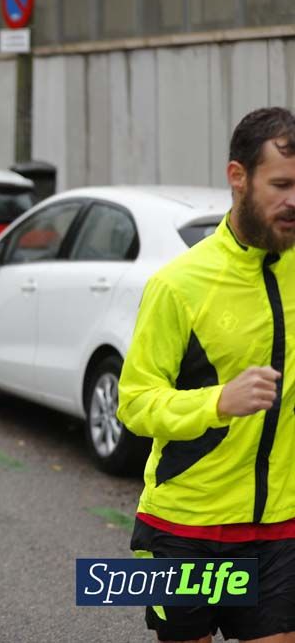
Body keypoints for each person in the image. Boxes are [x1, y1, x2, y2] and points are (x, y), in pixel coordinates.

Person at [119, 106, 295, 643]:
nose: (294, 201)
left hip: (279, 529)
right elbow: (135, 404)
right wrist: (217, 402)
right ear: (237, 177)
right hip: (185, 527)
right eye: (281, 184)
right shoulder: (179, 284)